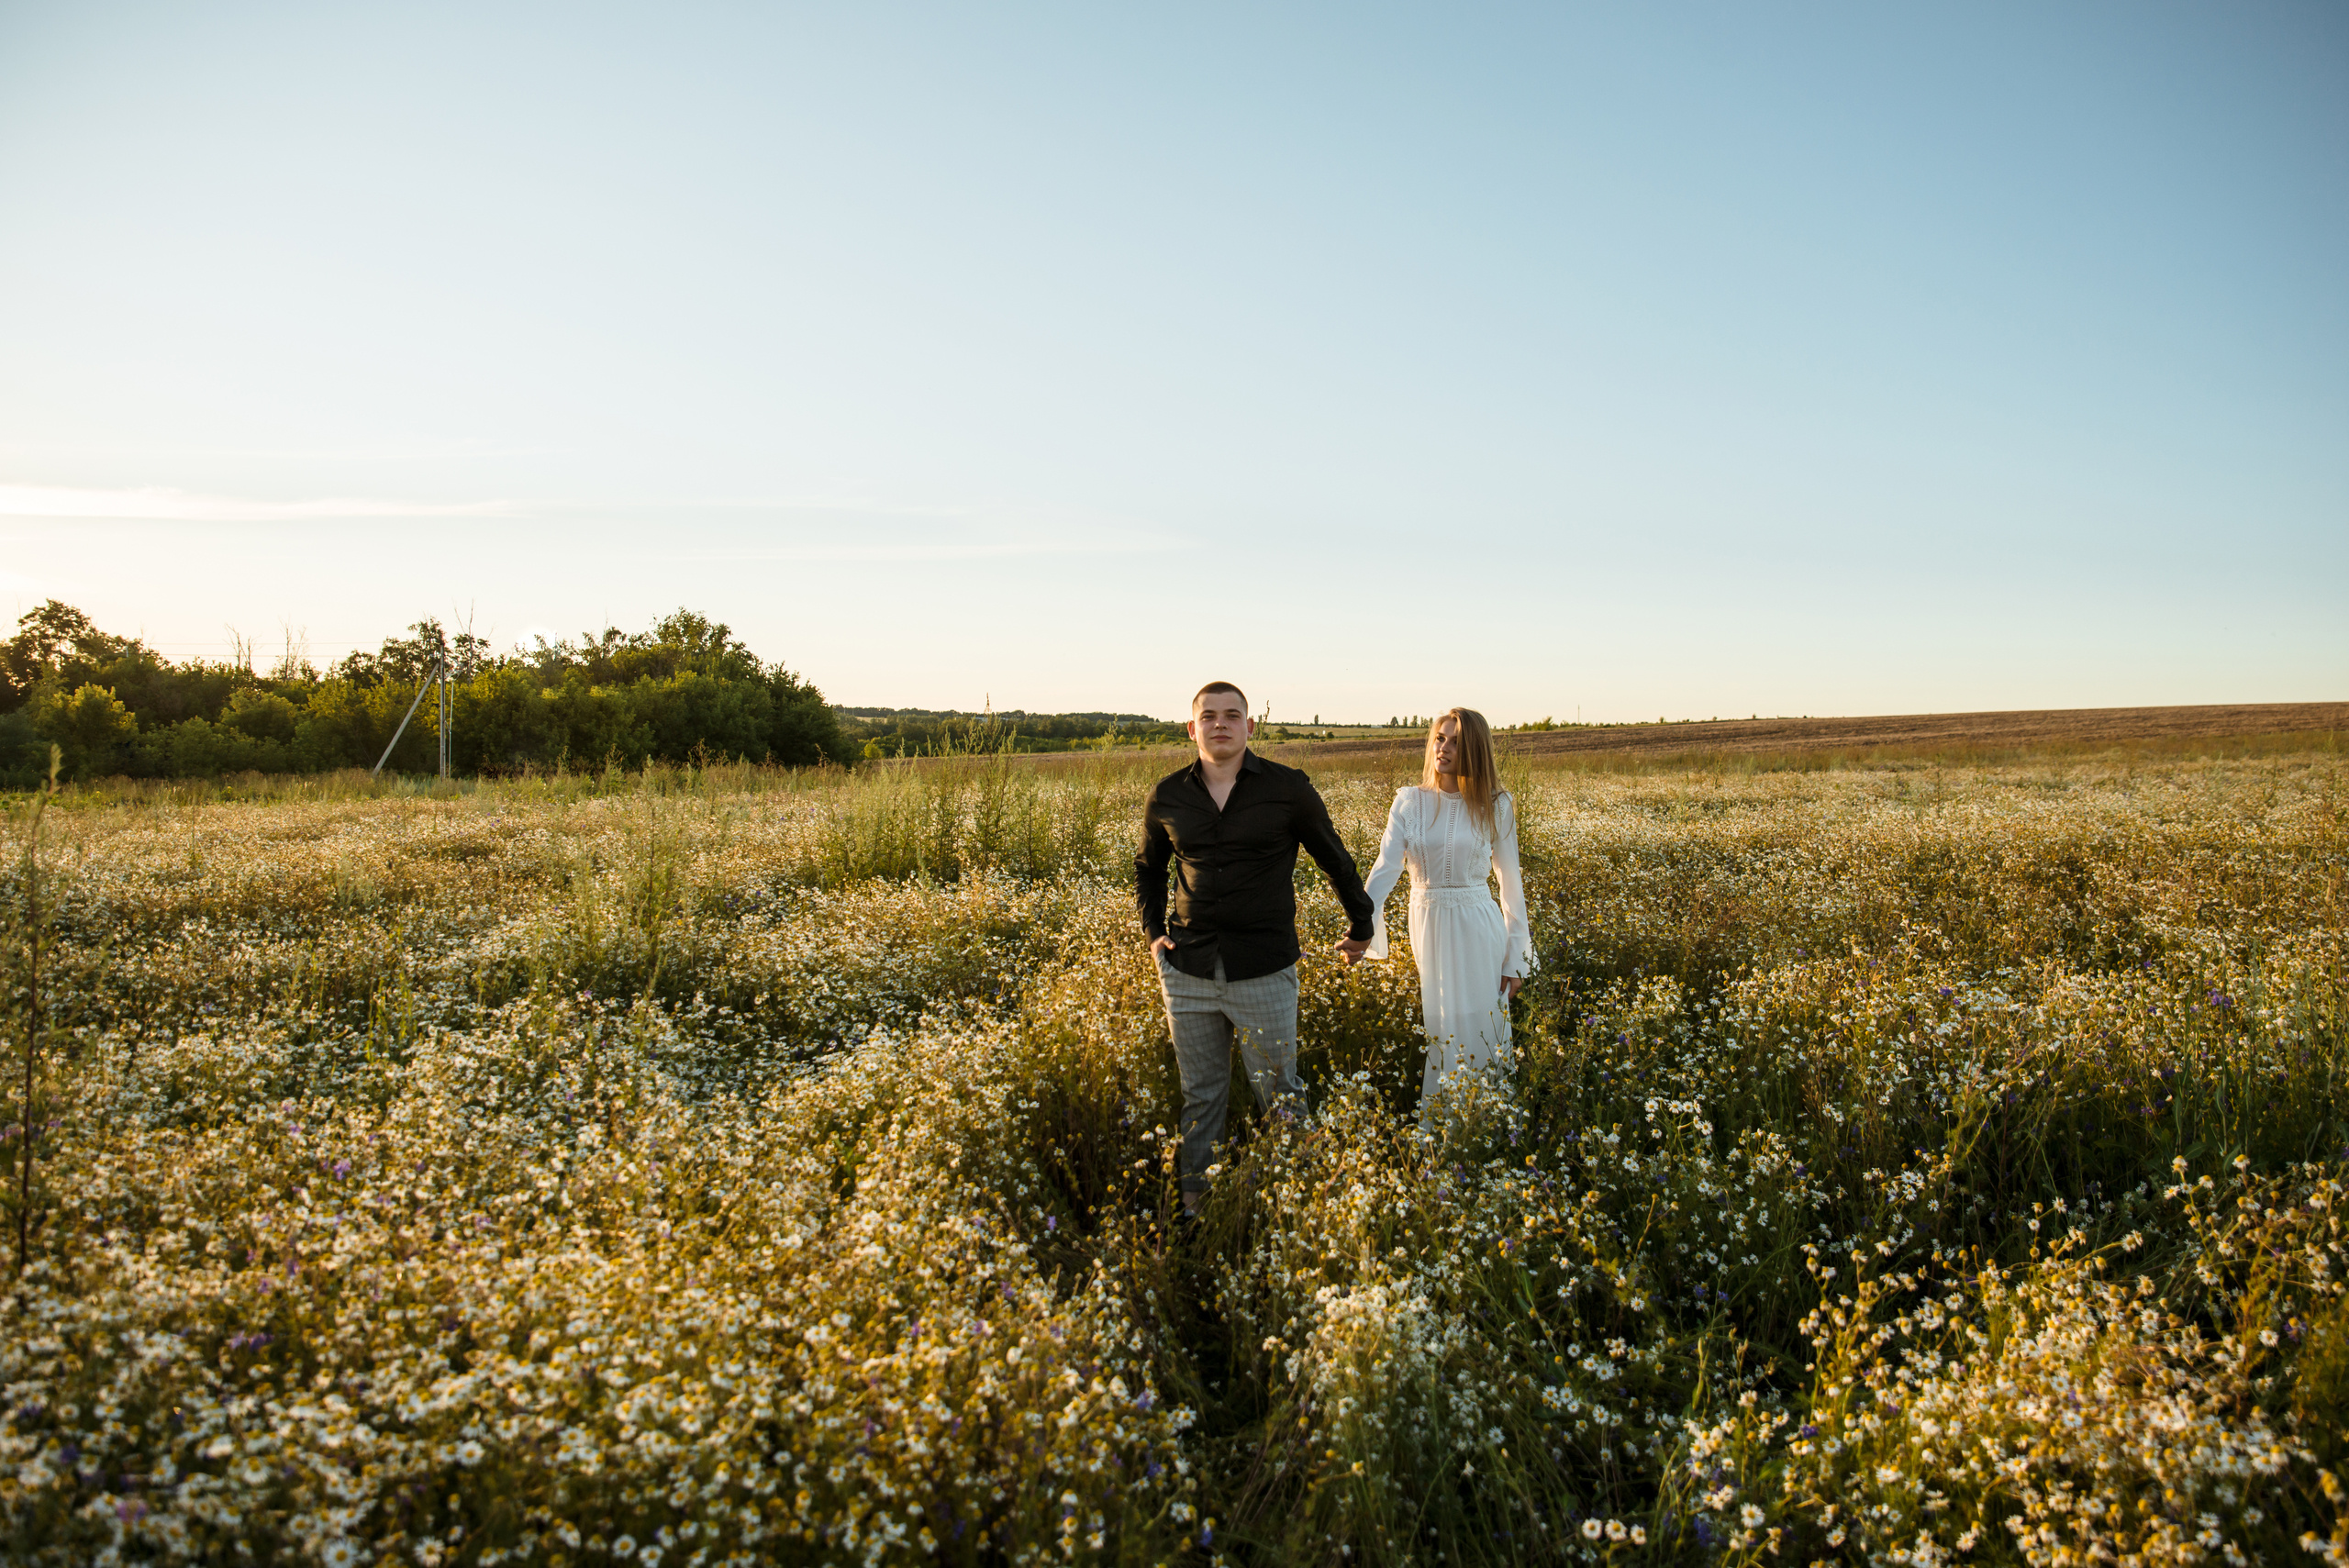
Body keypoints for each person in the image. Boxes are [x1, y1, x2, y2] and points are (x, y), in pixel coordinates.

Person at [1136, 681, 1375, 1211]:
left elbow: (1335, 859)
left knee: (1281, 1094)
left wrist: (1363, 925)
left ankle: (1306, 1207)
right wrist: (1155, 935)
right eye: (1209, 716)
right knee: (1201, 1097)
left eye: (1232, 715)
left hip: (1264, 969)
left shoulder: (1288, 788)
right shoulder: (1168, 795)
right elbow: (1148, 870)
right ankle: (1196, 1213)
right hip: (1189, 969)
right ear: (1192, 727)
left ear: (1250, 725)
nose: (1220, 724)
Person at [1360, 707, 1531, 1112]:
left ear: (1474, 749)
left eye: (1455, 741)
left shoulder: (1497, 803)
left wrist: (1517, 958)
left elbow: (1510, 882)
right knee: (1442, 1024)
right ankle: (1445, 1123)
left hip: (1479, 925)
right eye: (1440, 738)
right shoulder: (1410, 801)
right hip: (1430, 923)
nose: (1444, 747)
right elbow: (1384, 870)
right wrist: (1359, 926)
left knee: (1482, 1020)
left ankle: (1487, 1125)